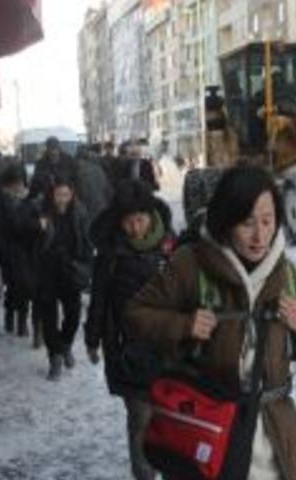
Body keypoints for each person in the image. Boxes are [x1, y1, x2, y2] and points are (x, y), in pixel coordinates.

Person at [127, 166, 296, 480]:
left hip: (273, 438)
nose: (260, 235)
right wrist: (184, 325)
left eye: (268, 220)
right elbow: (136, 315)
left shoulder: (286, 275)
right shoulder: (191, 264)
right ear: (226, 219)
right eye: (247, 223)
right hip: (208, 432)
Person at [85, 180, 176, 480]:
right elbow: (98, 298)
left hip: (168, 344)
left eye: (140, 220)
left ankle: (167, 466)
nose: (135, 228)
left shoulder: (171, 246)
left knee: (167, 414)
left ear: (151, 216)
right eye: (128, 222)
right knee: (140, 415)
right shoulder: (111, 253)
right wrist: (93, 338)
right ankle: (143, 473)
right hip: (126, 347)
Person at [35, 178, 93, 381]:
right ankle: (55, 358)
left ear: (72, 195)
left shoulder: (79, 212)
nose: (62, 199)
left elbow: (87, 241)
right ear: (52, 195)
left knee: (73, 316)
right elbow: (30, 241)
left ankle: (65, 345)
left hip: (71, 270)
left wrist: (87, 265)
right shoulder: (41, 212)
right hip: (47, 271)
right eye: (58, 195)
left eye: (66, 195)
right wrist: (38, 229)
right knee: (49, 318)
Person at [0, 163, 42, 338]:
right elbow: (11, 226)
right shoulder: (3, 201)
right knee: (16, 288)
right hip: (11, 251)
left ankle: (21, 322)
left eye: (20, 182)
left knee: (24, 288)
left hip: (29, 251)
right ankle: (14, 319)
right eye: (14, 183)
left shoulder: (30, 200)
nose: (18, 186)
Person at [74, 145, 114, 226]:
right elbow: (108, 189)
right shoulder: (99, 169)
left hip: (87, 210)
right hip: (102, 207)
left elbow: (77, 193)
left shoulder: (77, 172)